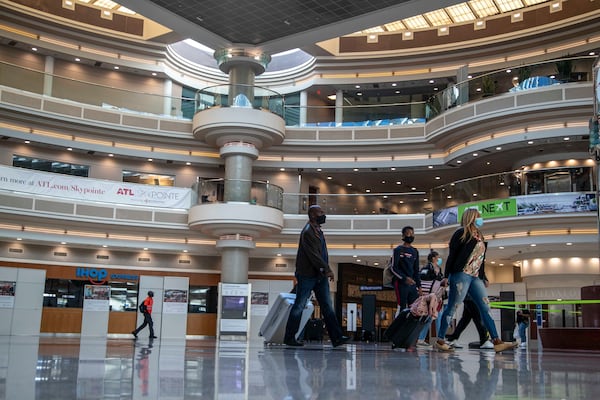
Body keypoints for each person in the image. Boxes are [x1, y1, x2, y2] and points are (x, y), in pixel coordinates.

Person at [434, 208, 517, 353]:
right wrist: (446, 276)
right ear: (471, 217)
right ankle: (441, 340)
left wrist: (483, 276)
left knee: (485, 307)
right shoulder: (461, 233)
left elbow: (481, 260)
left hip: (475, 276)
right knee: (453, 306)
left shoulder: (480, 236)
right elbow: (452, 255)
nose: (480, 219)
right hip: (461, 274)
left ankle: (496, 340)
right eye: (478, 217)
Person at [283, 205, 349, 347]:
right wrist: (328, 269)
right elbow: (314, 256)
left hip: (319, 275)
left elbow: (321, 255)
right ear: (312, 215)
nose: (323, 215)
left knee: (327, 306)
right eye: (320, 212)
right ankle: (289, 337)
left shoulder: (318, 231)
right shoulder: (308, 232)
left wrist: (325, 270)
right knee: (299, 305)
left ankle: (336, 337)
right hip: (307, 275)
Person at [391, 226, 422, 317]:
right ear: (403, 235)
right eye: (408, 233)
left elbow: (416, 271)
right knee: (402, 308)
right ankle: (399, 327)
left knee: (414, 308)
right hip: (401, 284)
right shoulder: (398, 250)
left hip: (412, 285)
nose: (411, 235)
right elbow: (393, 268)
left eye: (412, 234)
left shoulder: (415, 251)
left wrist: (419, 286)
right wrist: (404, 278)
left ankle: (410, 329)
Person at [416, 250, 445, 347]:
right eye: (438, 257)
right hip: (432, 298)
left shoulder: (425, 269)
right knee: (437, 318)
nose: (439, 259)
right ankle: (440, 339)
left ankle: (421, 339)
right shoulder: (433, 269)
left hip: (428, 297)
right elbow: (436, 282)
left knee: (430, 319)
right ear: (433, 258)